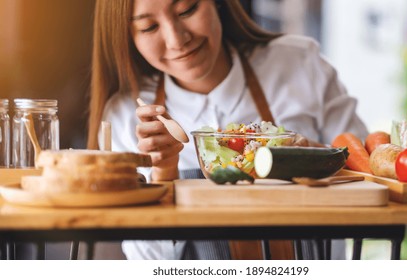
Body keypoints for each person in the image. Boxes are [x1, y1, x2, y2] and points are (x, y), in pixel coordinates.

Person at [87, 0, 368, 260]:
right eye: (149, 26)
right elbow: (149, 264)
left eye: (187, 9)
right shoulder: (124, 116)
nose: (177, 40)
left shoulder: (299, 63)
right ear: (128, 38)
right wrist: (164, 176)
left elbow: (368, 181)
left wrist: (316, 160)